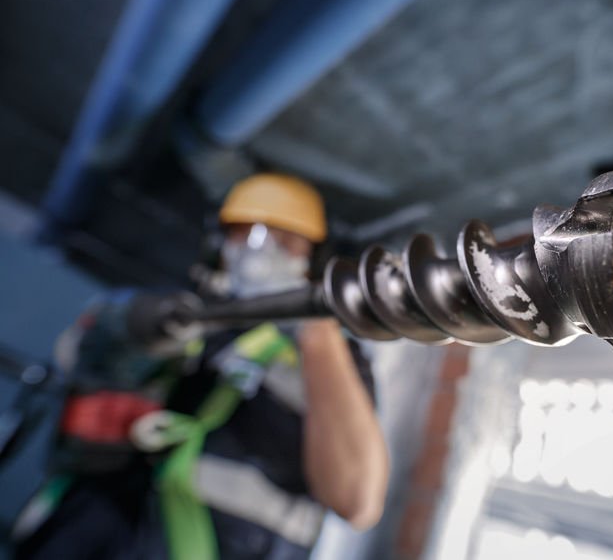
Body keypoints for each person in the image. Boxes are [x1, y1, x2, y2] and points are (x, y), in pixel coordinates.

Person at [16, 174, 389, 560]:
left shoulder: (334, 359)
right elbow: (77, 352)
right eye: (245, 234)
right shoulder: (185, 316)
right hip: (88, 532)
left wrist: (316, 332)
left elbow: (356, 501)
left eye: (285, 240)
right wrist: (144, 323)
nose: (260, 251)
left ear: (314, 260)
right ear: (217, 246)